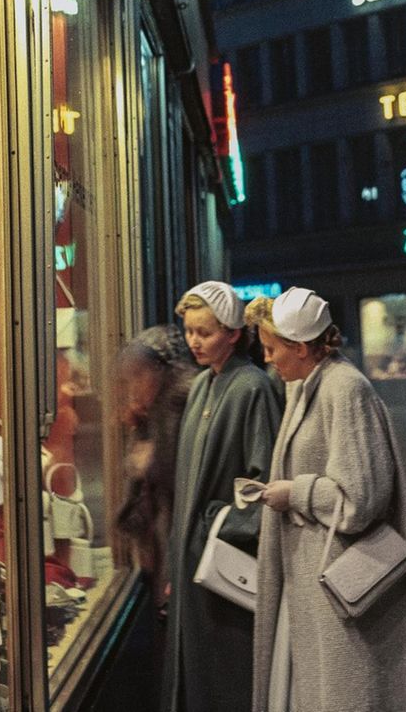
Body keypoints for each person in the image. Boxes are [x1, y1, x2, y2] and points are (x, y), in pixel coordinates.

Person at [249, 287, 406, 712]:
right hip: (317, 580)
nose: (267, 358)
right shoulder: (307, 385)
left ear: (301, 347)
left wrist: (296, 493)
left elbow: (360, 498)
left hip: (339, 583)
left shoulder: (344, 389)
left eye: (271, 348)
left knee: (345, 697)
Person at [162, 281, 280, 712]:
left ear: (232, 332)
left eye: (205, 332)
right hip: (196, 558)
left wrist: (219, 520)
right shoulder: (200, 386)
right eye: (189, 331)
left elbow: (264, 482)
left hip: (223, 563)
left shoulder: (251, 387)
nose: (194, 341)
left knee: (226, 673)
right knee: (200, 674)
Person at [115, 323, 196, 590]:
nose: (134, 389)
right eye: (129, 380)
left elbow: (176, 477)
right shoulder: (158, 408)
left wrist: (148, 463)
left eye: (139, 376)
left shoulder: (177, 402)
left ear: (162, 370)